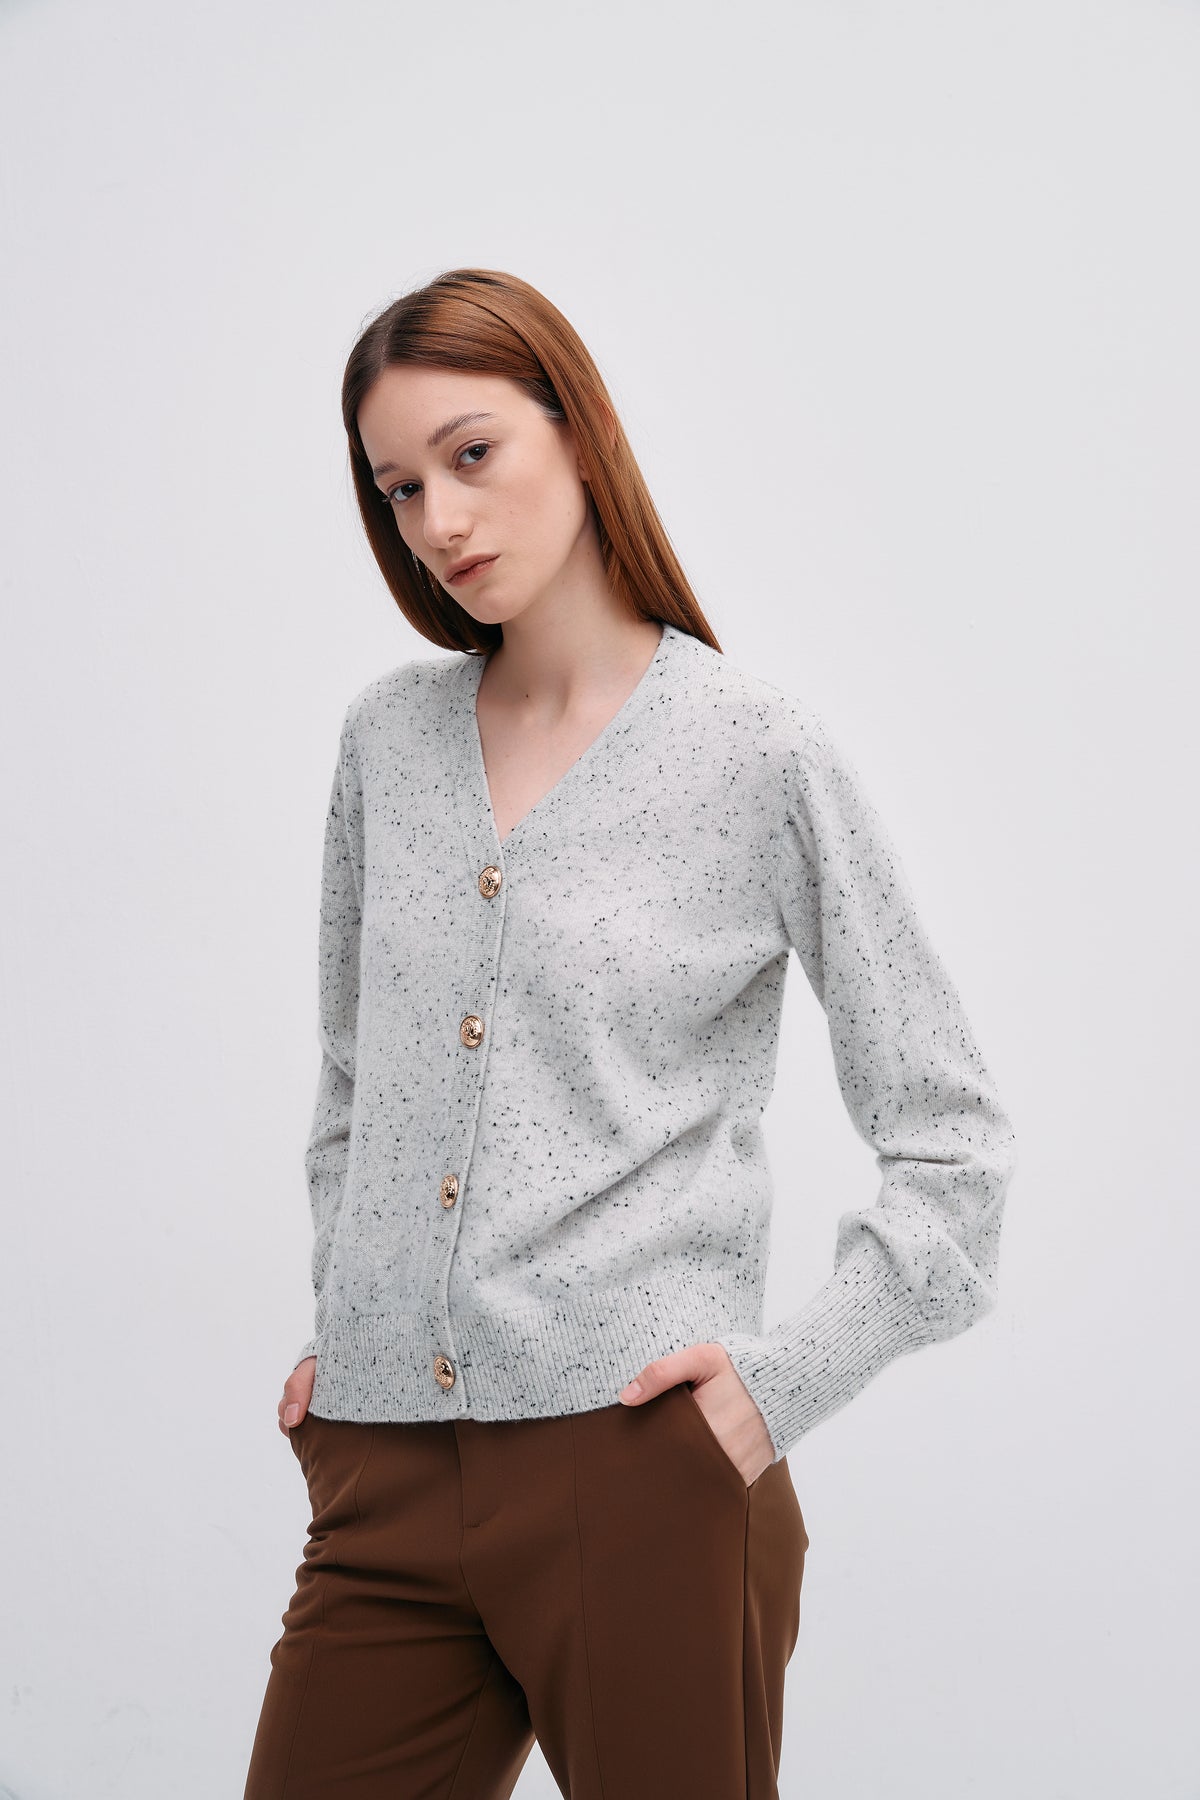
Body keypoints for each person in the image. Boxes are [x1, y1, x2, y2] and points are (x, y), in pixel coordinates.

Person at [243, 268, 1018, 1800]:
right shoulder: (385, 742)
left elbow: (956, 1146)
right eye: (399, 488)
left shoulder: (754, 755)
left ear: (580, 433)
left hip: (641, 1467)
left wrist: (779, 1385)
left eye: (472, 455)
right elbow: (353, 1087)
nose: (439, 520)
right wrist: (353, 1330)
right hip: (380, 1473)